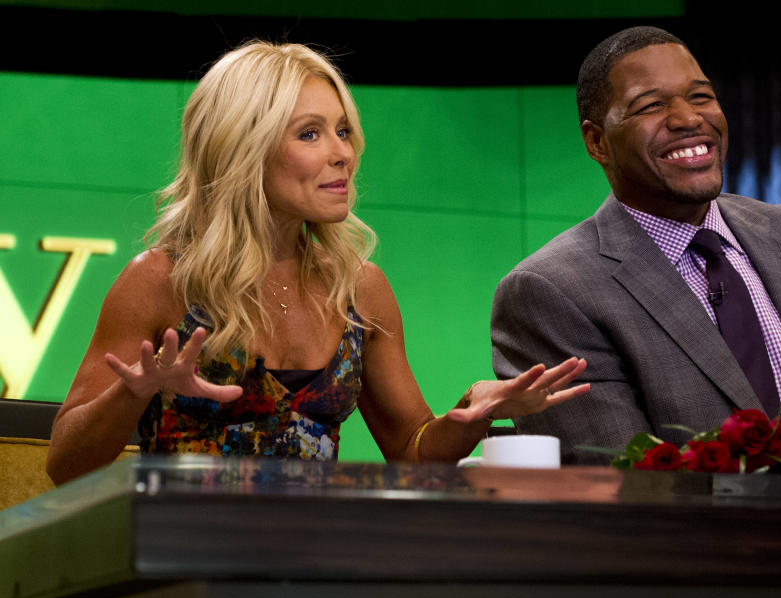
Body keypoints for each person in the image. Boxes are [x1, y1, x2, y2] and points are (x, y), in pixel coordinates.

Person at [46, 41, 589, 486]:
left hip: (313, 558)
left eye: (343, 130)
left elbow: (411, 452)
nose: (343, 153)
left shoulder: (360, 290)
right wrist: (134, 390)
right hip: (183, 562)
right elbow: (65, 465)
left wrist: (470, 412)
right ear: (243, 149)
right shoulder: (161, 280)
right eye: (310, 133)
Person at [490, 26, 781, 479]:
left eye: (701, 96)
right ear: (597, 142)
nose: (688, 118)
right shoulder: (552, 292)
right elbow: (625, 486)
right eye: (651, 105)